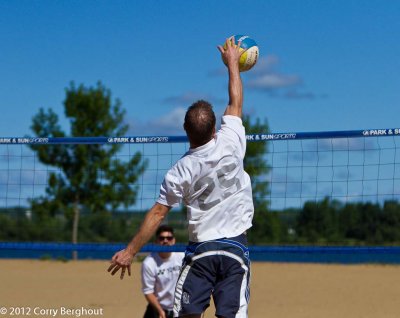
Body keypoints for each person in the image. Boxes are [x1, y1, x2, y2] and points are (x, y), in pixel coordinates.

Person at [108, 37, 254, 318]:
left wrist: (130, 251)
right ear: (214, 130)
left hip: (202, 251)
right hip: (236, 247)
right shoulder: (231, 140)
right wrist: (233, 64)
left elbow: (158, 213)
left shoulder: (179, 171)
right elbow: (235, 101)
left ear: (185, 130)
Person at [141, 225, 184, 318]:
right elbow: (148, 291)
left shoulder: (182, 257)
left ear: (174, 240)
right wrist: (160, 311)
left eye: (169, 238)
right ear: (156, 242)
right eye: (161, 238)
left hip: (180, 309)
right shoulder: (149, 263)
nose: (165, 241)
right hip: (158, 308)